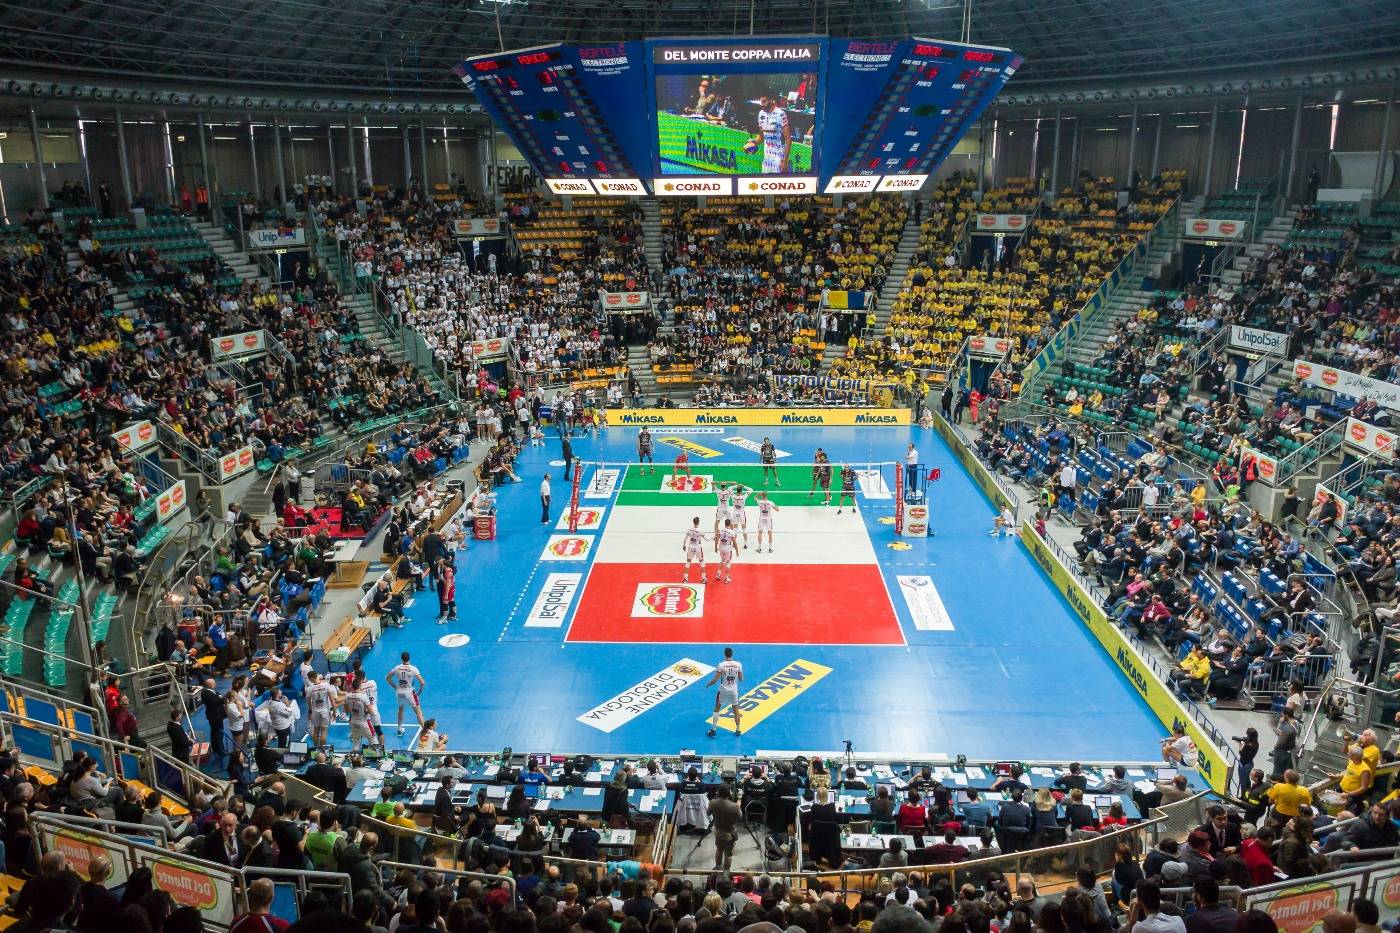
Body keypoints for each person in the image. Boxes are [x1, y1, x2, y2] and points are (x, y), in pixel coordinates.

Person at [386, 651, 426, 737]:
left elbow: (387, 678)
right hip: (410, 692)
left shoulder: (397, 668)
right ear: (409, 658)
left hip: (399, 692)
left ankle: (399, 729)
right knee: (418, 712)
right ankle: (426, 732)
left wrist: (395, 687)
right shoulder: (413, 669)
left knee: (400, 709)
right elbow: (422, 682)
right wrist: (419, 692)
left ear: (401, 659)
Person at [706, 646, 743, 738]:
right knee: (736, 710)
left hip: (723, 690)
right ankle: (738, 729)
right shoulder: (738, 664)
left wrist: (708, 684)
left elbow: (715, 680)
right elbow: (741, 679)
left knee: (717, 708)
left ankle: (713, 730)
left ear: (725, 655)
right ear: (732, 654)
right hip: (734, 691)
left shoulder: (721, 665)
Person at [756, 94, 792, 174]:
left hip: (779, 158)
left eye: (764, 101)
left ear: (771, 100)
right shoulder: (761, 114)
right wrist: (753, 143)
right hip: (766, 158)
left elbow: (788, 140)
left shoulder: (781, 114)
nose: (762, 104)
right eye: (761, 102)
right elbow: (761, 137)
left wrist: (785, 161)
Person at [707, 785, 740, 870]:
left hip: (718, 831)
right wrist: (739, 805)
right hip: (730, 833)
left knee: (719, 850)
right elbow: (740, 817)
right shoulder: (735, 806)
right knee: (728, 855)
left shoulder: (713, 803)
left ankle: (718, 868)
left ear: (718, 793)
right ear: (729, 794)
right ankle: (726, 872)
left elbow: (708, 813)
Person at [681, 516, 707, 584]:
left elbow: (685, 539)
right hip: (698, 547)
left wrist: (684, 545)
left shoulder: (689, 530)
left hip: (691, 547)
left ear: (693, 522)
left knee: (688, 562)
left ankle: (685, 579)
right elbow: (707, 540)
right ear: (698, 522)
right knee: (702, 562)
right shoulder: (700, 530)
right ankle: (704, 578)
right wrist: (714, 537)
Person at [714, 518, 738, 584]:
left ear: (724, 524)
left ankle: (718, 574)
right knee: (728, 562)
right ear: (730, 524)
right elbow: (734, 542)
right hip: (728, 548)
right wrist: (737, 551)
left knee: (722, 560)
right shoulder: (732, 532)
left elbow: (717, 539)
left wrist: (715, 547)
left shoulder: (720, 530)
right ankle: (727, 578)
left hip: (721, 547)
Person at [435, 558, 456, 624]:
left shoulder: (447, 573)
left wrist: (446, 594)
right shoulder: (450, 570)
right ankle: (454, 616)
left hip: (448, 589)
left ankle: (444, 618)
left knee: (445, 603)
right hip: (452, 588)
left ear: (445, 565)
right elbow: (450, 581)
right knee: (452, 601)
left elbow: (448, 584)